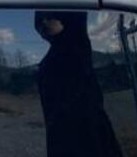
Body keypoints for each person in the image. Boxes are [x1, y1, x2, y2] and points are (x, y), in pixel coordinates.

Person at [35, 11, 122, 157]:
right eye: (40, 21)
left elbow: (78, 14)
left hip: (90, 138)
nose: (44, 22)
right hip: (61, 140)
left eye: (49, 17)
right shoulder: (50, 57)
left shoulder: (76, 44)